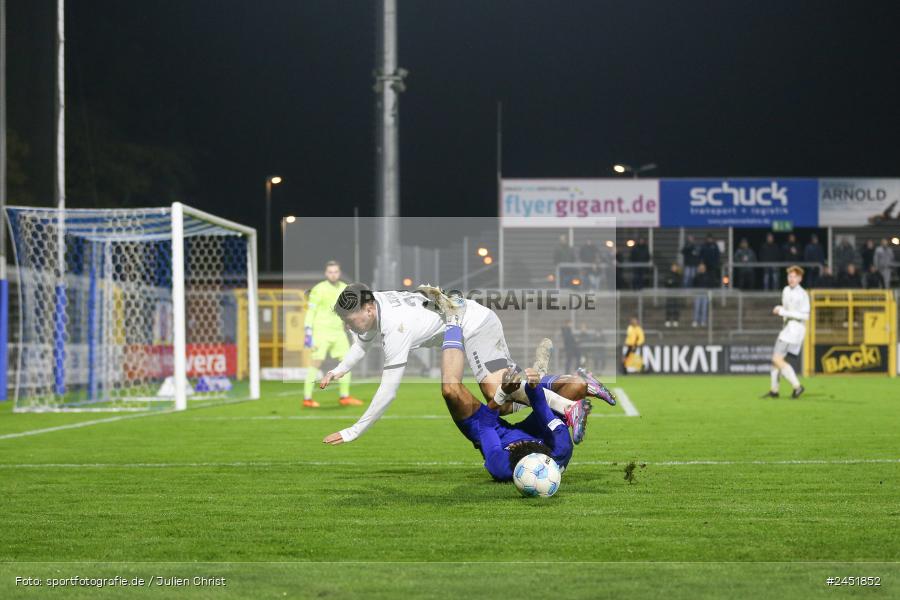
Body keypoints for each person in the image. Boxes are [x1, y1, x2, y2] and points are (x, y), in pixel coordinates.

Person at [320, 284, 614, 445]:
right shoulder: (376, 302)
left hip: (473, 327)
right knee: (505, 402)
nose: (347, 325)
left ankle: (569, 407)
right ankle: (580, 384)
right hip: (472, 323)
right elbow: (363, 341)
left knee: (497, 393)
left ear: (368, 309)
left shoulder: (395, 327)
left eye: (349, 319)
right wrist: (339, 370)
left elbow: (388, 391)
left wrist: (353, 431)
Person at [301, 261, 361, 408]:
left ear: (339, 273)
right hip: (320, 331)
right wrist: (308, 331)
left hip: (338, 332)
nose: (333, 274)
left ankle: (344, 396)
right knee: (316, 363)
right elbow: (311, 311)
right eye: (330, 272)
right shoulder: (319, 289)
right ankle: (307, 399)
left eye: (335, 272)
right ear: (326, 273)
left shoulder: (344, 288)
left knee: (347, 361)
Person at [762, 266, 808, 399]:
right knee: (776, 361)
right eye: (789, 276)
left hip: (795, 330)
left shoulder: (802, 294)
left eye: (794, 277)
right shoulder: (786, 290)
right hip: (787, 328)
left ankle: (797, 386)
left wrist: (783, 312)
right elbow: (788, 309)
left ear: (800, 279)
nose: (791, 279)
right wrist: (780, 308)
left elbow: (805, 315)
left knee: (776, 359)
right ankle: (774, 391)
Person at [692, 263, 715, 327]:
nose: (701, 269)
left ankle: (703, 321)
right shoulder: (696, 276)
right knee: (697, 308)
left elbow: (710, 284)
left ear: (705, 269)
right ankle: (695, 320)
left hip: (705, 294)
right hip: (698, 294)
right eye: (700, 268)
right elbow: (694, 284)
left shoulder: (708, 276)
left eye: (703, 268)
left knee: (704, 308)